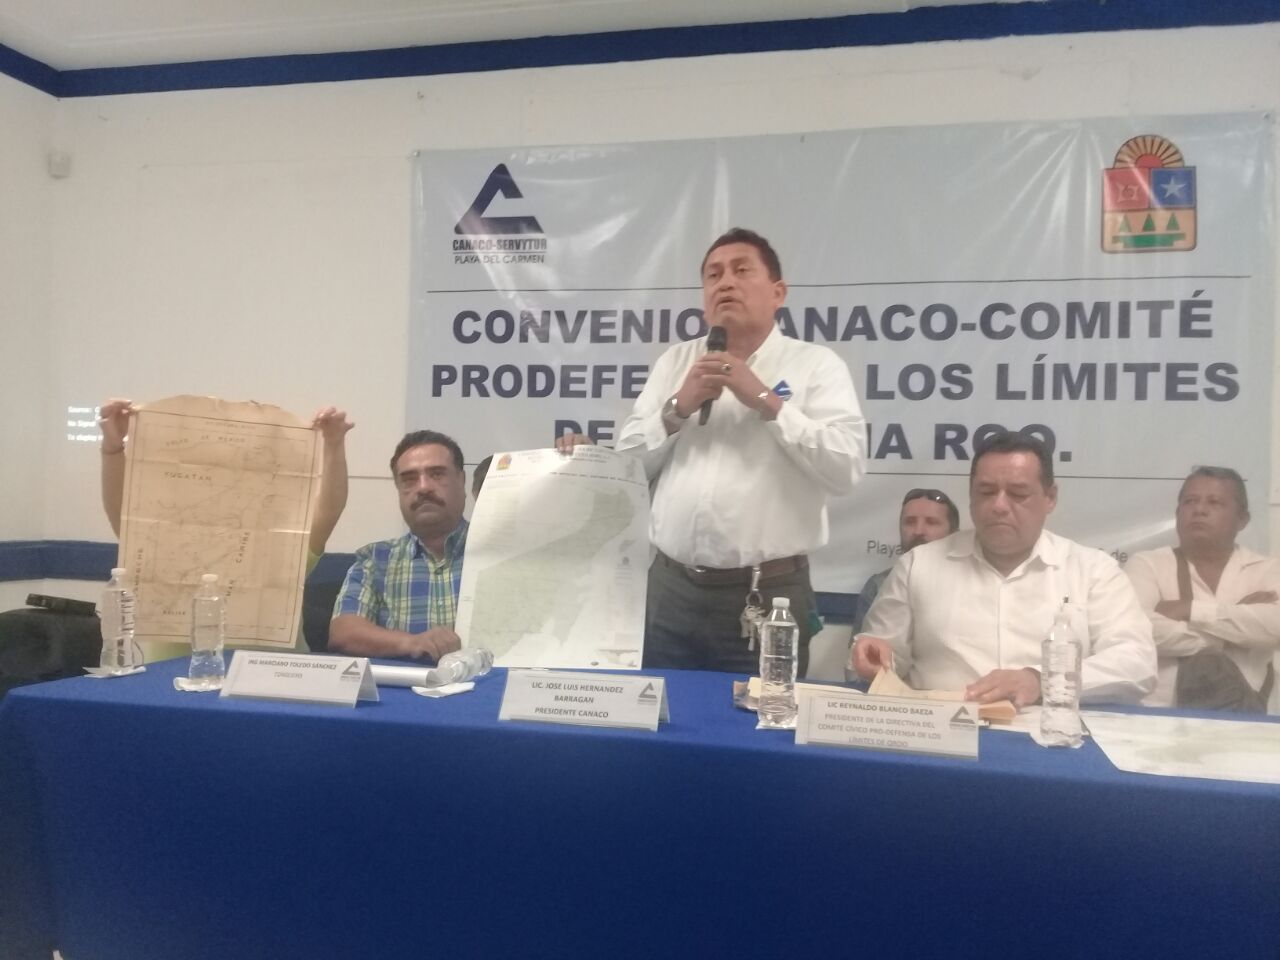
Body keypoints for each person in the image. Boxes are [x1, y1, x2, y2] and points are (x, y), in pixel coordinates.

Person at [567, 227, 865, 675]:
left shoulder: (816, 365)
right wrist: (676, 409)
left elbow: (845, 467)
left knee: (756, 718)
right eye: (714, 274)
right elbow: (628, 467)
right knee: (657, 714)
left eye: (741, 271)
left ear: (778, 293)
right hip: (669, 590)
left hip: (768, 597)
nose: (725, 282)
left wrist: (764, 399)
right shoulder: (675, 362)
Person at [850, 431, 1156, 707]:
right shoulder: (918, 565)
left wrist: (1041, 680)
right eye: (986, 492)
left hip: (1053, 733)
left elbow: (1137, 663)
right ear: (970, 496)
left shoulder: (1092, 570)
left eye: (1018, 494)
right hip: (942, 734)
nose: (999, 506)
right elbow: (886, 657)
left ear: (1050, 498)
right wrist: (876, 657)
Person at [98, 398, 353, 657]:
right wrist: (112, 449)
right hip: (174, 674)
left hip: (275, 675)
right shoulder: (164, 537)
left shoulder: (283, 542)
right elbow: (123, 514)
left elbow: (329, 510)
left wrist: (333, 446)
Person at [1126, 466, 1279, 711]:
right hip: (1158, 718)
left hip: (1253, 719)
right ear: (1177, 513)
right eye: (1190, 501)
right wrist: (1234, 630)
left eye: (1214, 502)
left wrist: (1191, 610)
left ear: (1242, 519)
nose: (1199, 510)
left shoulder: (1269, 570)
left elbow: (1275, 626)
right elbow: (1136, 628)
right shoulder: (1147, 565)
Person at [329, 429, 468, 662]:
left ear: (461, 480)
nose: (423, 487)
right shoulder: (375, 560)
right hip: (405, 683)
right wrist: (412, 643)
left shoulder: (502, 552)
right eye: (409, 479)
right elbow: (344, 632)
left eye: (437, 474)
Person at [850, 488, 960, 637]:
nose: (918, 531)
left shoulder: (970, 583)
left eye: (931, 522)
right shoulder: (878, 585)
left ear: (954, 533)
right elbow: (861, 648)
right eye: (910, 522)